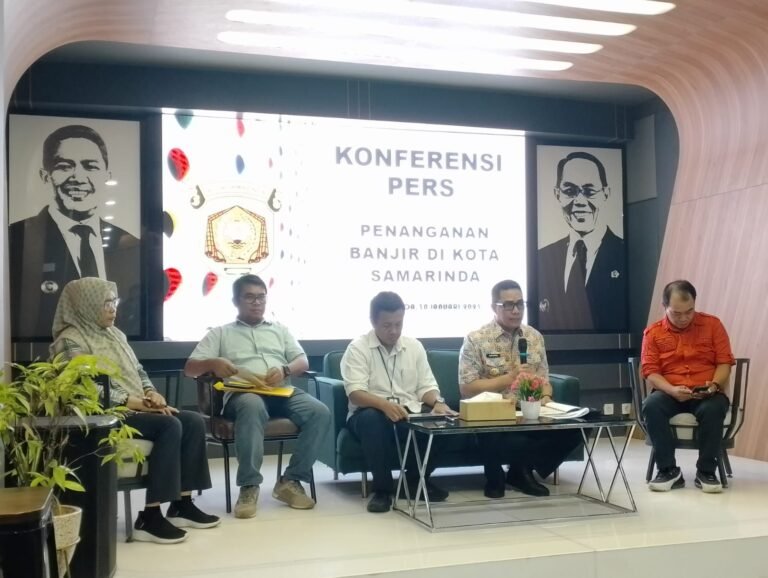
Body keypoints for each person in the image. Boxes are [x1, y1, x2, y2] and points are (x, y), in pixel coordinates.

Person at [50, 277, 220, 544]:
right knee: (169, 425)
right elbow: (85, 388)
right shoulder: (70, 340)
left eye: (114, 302)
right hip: (103, 416)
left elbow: (138, 371)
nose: (113, 309)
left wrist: (151, 393)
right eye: (105, 303)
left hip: (138, 407)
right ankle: (149, 517)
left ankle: (182, 504)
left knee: (193, 421)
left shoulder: (115, 334)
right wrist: (136, 403)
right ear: (86, 305)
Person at [184, 274, 331, 518]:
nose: (257, 302)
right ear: (236, 301)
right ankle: (249, 486)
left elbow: (302, 361)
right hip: (243, 394)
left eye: (261, 297)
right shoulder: (221, 333)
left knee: (320, 412)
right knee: (252, 405)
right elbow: (190, 368)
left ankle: (291, 480)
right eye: (250, 297)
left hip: (281, 391)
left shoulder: (280, 330)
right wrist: (213, 363)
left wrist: (285, 369)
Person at [9, 124, 141, 339]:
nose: (78, 177)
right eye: (64, 166)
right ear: (46, 175)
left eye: (90, 166)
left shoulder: (131, 246)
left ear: (106, 175)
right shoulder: (15, 240)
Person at [459, 280, 581, 498]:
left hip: (529, 411)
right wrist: (508, 379)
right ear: (494, 307)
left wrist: (546, 396)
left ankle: (520, 471)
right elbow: (467, 388)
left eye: (520, 304)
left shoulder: (534, 337)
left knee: (577, 429)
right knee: (496, 433)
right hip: (494, 414)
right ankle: (495, 474)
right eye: (508, 305)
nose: (515, 311)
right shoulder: (476, 339)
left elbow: (544, 379)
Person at [341, 291, 456, 513]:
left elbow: (426, 387)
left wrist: (438, 402)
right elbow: (355, 392)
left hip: (407, 412)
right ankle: (382, 490)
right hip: (368, 413)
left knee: (446, 420)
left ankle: (413, 482)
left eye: (398, 324)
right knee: (372, 420)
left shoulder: (414, 346)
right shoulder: (358, 348)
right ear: (373, 321)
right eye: (387, 325)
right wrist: (384, 405)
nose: (394, 331)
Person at [642, 280, 734, 493]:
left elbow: (724, 363)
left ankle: (706, 471)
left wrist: (714, 385)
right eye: (676, 313)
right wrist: (672, 390)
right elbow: (650, 371)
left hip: (706, 392)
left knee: (713, 408)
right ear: (665, 306)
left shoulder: (713, 325)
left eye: (689, 311)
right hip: (669, 391)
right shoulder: (653, 333)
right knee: (651, 405)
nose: (683, 318)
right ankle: (668, 470)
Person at [537, 151, 625, 331]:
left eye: (589, 191)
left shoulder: (624, 254)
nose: (579, 201)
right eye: (570, 191)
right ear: (557, 194)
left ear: (605, 193)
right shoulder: (543, 257)